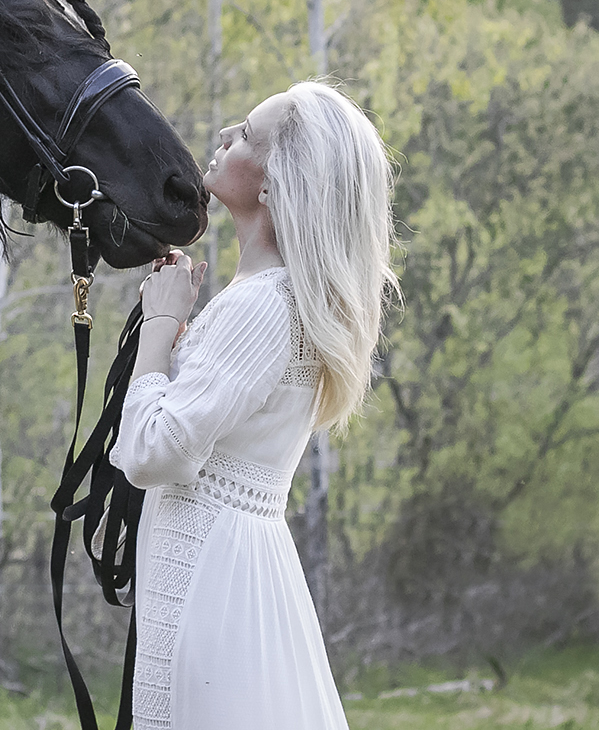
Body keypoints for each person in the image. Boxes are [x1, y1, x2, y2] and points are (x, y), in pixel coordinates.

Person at [110, 80, 397, 730]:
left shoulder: (260, 305)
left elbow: (155, 453)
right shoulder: (285, 300)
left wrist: (160, 323)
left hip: (213, 578)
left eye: (243, 134)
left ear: (272, 184)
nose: (220, 139)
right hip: (240, 569)